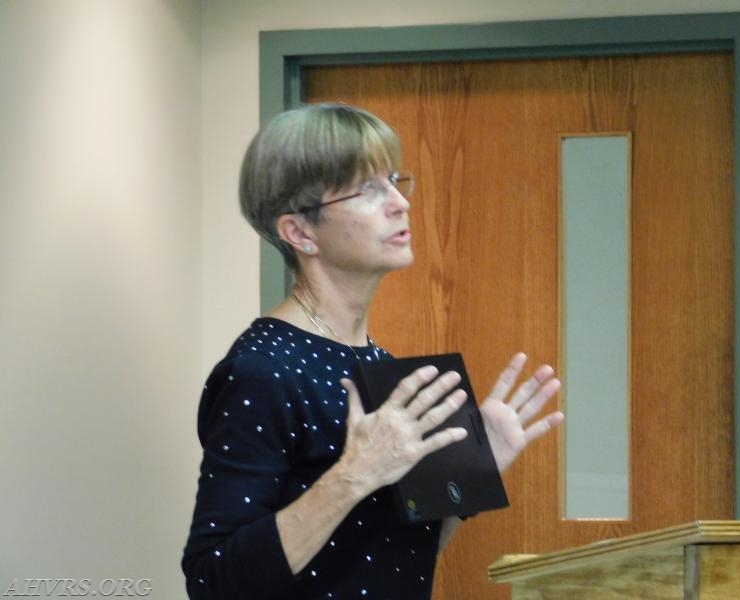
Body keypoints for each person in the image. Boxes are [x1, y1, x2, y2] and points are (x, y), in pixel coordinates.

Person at [181, 103, 564, 599]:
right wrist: (354, 474)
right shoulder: (262, 370)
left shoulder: (378, 364)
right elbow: (212, 582)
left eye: (393, 180)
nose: (400, 203)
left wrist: (475, 470)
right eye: (367, 189)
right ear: (299, 232)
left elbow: (393, 558)